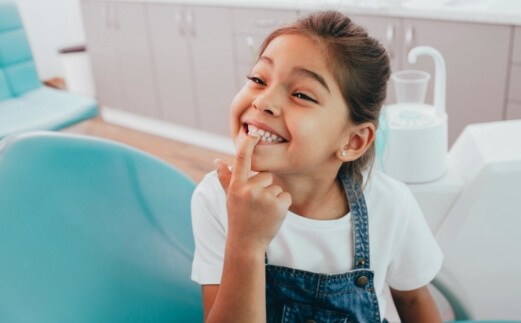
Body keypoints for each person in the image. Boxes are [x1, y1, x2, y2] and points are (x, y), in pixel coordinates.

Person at [190, 10, 443, 323]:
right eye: (258, 79)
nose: (263, 101)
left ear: (352, 141)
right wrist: (246, 242)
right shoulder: (216, 199)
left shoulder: (392, 205)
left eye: (300, 94)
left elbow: (416, 301)